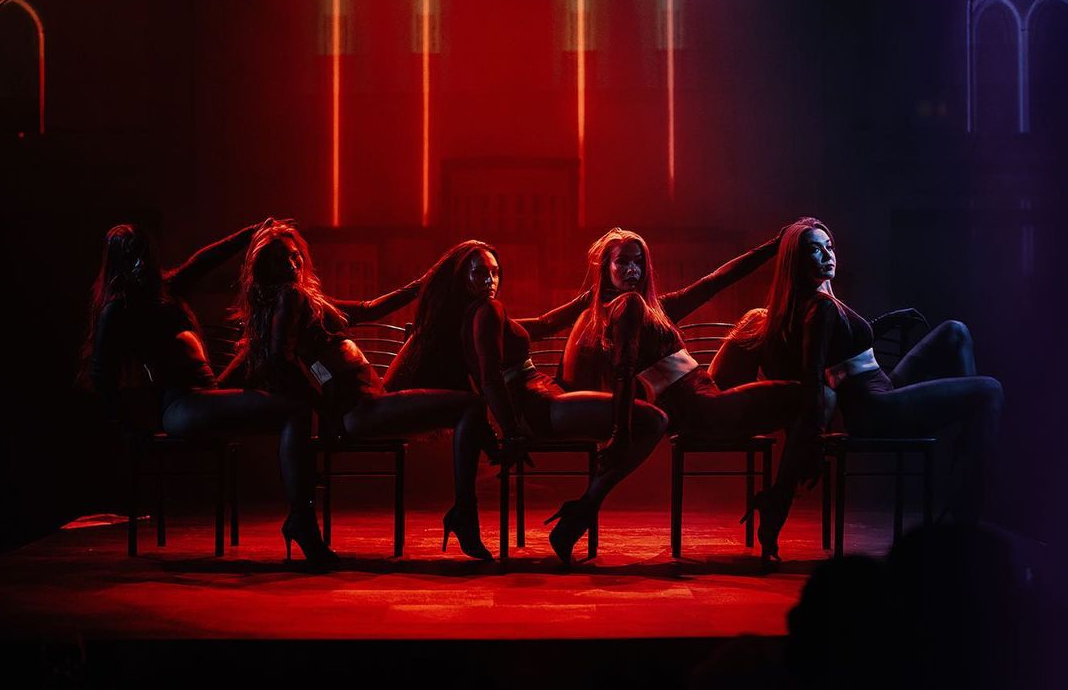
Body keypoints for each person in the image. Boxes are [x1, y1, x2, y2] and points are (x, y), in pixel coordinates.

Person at [729, 217, 1003, 560]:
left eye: (829, 246)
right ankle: (966, 508)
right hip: (875, 408)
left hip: (882, 387)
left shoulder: (823, 301)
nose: (827, 255)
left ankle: (966, 454)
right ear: (797, 262)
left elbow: (845, 343)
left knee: (954, 331)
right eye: (815, 250)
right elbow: (812, 375)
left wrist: (887, 321)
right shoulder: (820, 308)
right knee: (989, 390)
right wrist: (812, 443)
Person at [231, 221, 498, 562]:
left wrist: (421, 284)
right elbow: (280, 359)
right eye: (280, 259)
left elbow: (369, 308)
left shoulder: (304, 299)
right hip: (362, 409)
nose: (292, 264)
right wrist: (324, 406)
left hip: (373, 402)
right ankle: (464, 511)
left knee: (463, 397)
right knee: (469, 406)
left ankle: (466, 503)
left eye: (295, 256)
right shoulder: (290, 297)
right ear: (265, 268)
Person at [394, 240, 670, 566]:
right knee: (653, 420)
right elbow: (490, 379)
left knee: (644, 414)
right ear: (461, 277)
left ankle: (577, 513)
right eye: (480, 272)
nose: (490, 280)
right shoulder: (488, 311)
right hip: (540, 406)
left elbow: (543, 324)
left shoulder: (470, 317)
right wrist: (511, 433)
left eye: (495, 272)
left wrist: (587, 299)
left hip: (544, 399)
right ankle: (582, 511)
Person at [81, 220, 318, 562]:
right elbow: (100, 375)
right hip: (183, 406)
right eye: (131, 256)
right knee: (294, 409)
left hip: (205, 397)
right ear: (118, 262)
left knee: (293, 404)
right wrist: (129, 429)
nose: (141, 263)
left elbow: (204, 261)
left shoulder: (167, 288)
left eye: (144, 253)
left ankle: (302, 515)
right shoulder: (118, 310)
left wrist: (250, 232)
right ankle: (302, 519)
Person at [560, 228, 803, 562]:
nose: (632, 270)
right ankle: (779, 500)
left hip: (704, 390)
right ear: (605, 268)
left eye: (638, 262)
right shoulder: (626, 306)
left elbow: (716, 280)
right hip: (700, 408)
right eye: (622, 262)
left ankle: (786, 483)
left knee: (756, 319)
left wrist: (775, 245)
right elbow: (623, 371)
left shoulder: (653, 307)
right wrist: (620, 432)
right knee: (805, 397)